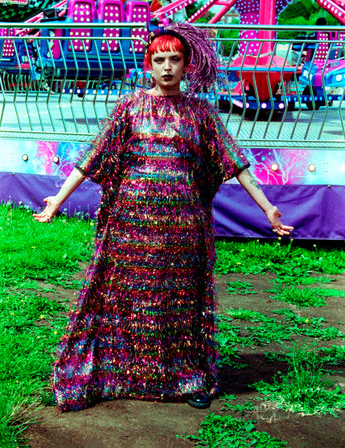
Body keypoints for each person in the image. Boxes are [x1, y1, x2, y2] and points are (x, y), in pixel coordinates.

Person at [33, 23, 293, 412]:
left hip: (183, 229)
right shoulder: (131, 107)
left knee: (181, 303)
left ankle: (188, 377)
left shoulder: (200, 113)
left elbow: (235, 162)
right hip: (129, 227)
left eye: (174, 59)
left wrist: (267, 206)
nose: (167, 67)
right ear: (148, 65)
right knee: (124, 297)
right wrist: (56, 201)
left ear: (187, 65)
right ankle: (115, 373)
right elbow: (93, 158)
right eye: (159, 60)